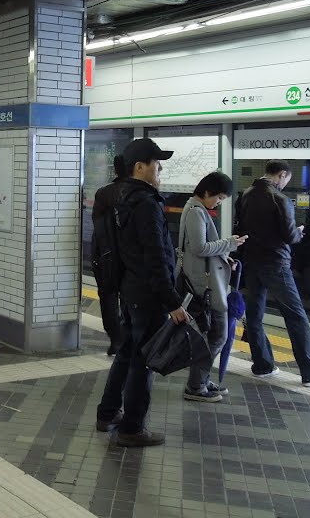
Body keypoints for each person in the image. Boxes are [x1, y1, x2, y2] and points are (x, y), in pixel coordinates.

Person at [95, 138, 182, 447]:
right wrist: (172, 301)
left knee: (128, 352)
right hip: (147, 293)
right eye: (156, 165)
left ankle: (107, 413)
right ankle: (132, 428)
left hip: (131, 289)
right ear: (139, 167)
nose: (159, 171)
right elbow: (156, 255)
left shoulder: (121, 198)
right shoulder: (146, 203)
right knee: (144, 360)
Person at [236, 160, 310, 387]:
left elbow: (240, 228)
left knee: (254, 315)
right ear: (282, 175)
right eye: (287, 179)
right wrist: (299, 232)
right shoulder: (280, 199)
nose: (285, 183)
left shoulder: (247, 194)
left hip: (251, 262)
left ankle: (263, 365)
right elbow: (290, 236)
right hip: (276, 264)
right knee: (296, 316)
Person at [178, 171, 247, 402]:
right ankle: (196, 385)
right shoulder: (196, 212)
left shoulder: (195, 209)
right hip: (204, 287)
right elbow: (199, 248)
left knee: (214, 335)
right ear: (207, 192)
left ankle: (201, 381)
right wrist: (229, 243)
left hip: (205, 283)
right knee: (217, 335)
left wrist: (224, 255)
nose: (218, 203)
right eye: (218, 198)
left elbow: (201, 249)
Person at [90, 154, 128, 355]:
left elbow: (98, 223)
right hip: (126, 256)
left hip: (104, 254)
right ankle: (125, 338)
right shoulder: (136, 194)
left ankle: (116, 339)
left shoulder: (103, 193)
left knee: (108, 297)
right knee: (127, 297)